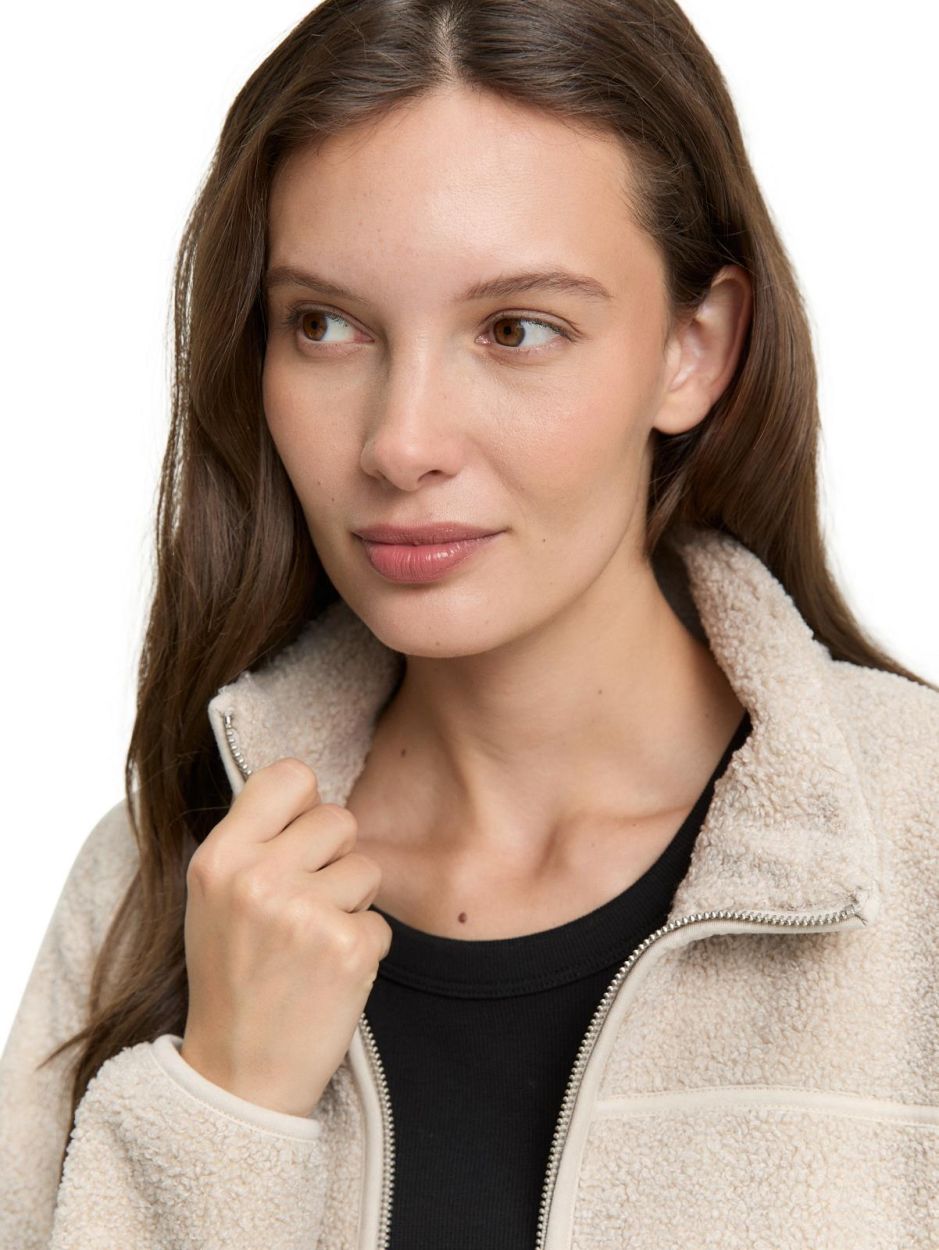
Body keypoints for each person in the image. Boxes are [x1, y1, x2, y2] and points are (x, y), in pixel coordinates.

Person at [2, 0, 937, 1246]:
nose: (401, 442)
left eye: (515, 330)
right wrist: (225, 1105)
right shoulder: (155, 874)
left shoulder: (916, 845)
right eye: (325, 325)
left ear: (694, 348)